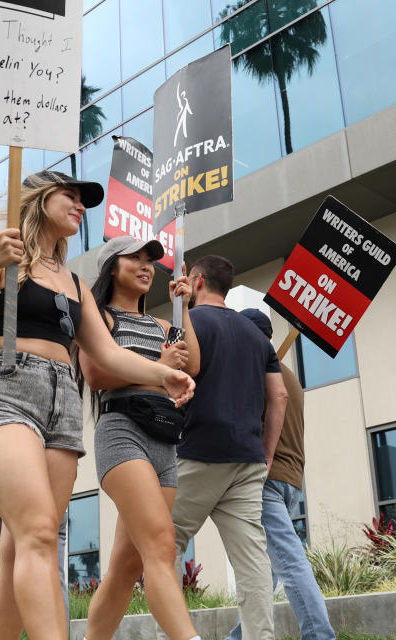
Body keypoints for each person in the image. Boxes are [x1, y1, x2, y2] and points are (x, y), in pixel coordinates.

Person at [0, 170, 195, 640]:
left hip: (62, 400)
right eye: (71, 196)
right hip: (4, 385)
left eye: (85, 201)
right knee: (39, 532)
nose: (81, 206)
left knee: (24, 545)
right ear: (39, 198)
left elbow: (107, 353)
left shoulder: (75, 282)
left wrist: (163, 373)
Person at [77, 236, 201, 640]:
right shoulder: (100, 319)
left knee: (126, 568)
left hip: (164, 441)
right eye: (136, 258)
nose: (146, 265)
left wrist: (186, 307)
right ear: (112, 267)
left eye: (151, 260)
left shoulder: (163, 325)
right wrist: (156, 365)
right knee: (162, 548)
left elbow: (193, 364)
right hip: (121, 431)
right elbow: (95, 375)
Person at [163, 255, 289, 640]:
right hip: (247, 460)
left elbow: (165, 379)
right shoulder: (257, 336)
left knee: (162, 549)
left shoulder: (188, 324)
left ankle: (176, 632)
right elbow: (279, 395)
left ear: (197, 281)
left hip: (197, 450)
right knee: (251, 558)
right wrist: (266, 455)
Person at [227, 309, 335, 640]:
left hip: (265, 480)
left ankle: (320, 635)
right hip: (290, 481)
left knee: (288, 562)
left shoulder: (256, 372)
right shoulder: (288, 376)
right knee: (265, 567)